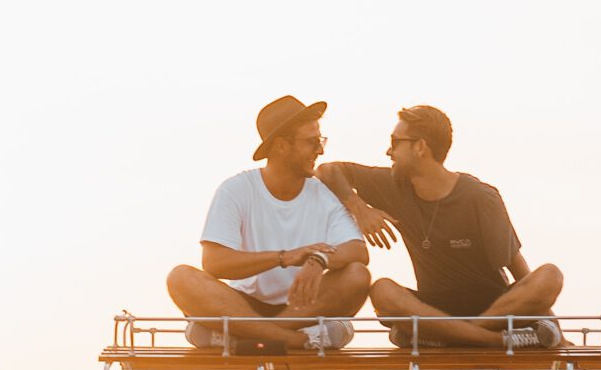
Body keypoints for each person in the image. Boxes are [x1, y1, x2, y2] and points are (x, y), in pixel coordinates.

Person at [315, 105, 563, 349]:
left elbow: (517, 267)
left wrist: (553, 323)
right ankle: (491, 341)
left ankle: (452, 336)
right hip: (434, 309)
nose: (388, 151)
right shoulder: (392, 184)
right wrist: (361, 209)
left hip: (494, 309)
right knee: (382, 290)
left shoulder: (480, 197)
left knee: (550, 275)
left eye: (395, 141)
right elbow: (328, 170)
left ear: (420, 147)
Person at [167, 96, 370, 354]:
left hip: (305, 307)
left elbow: (358, 252)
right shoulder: (236, 190)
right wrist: (284, 257)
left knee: (357, 275)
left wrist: (319, 259)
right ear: (281, 146)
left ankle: (253, 335)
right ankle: (295, 340)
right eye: (312, 142)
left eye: (321, 141)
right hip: (241, 306)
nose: (320, 150)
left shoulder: (324, 195)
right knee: (180, 278)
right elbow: (215, 263)